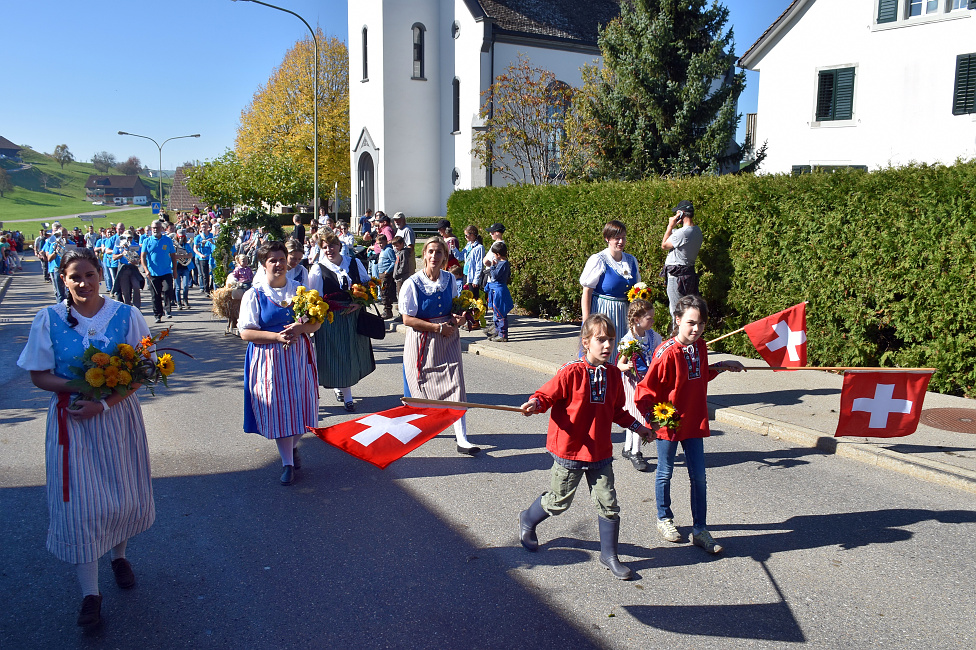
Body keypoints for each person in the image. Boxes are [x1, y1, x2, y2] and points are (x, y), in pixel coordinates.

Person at [16, 247, 156, 628]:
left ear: (101, 274)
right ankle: (90, 595)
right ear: (63, 279)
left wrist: (105, 402)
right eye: (75, 276)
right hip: (72, 420)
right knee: (81, 507)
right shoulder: (47, 319)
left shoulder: (128, 315)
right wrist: (81, 389)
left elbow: (144, 370)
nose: (83, 283)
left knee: (121, 494)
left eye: (89, 274)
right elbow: (38, 374)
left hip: (116, 417)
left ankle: (119, 556)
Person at [516, 313, 654, 580]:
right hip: (571, 450)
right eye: (601, 340)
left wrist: (640, 428)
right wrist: (535, 404)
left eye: (611, 340)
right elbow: (546, 395)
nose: (607, 346)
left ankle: (609, 555)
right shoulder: (571, 372)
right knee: (558, 502)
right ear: (586, 342)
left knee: (609, 504)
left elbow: (618, 410)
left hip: (600, 452)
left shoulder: (614, 375)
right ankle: (528, 519)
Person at [635, 294, 744, 554]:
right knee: (665, 472)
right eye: (691, 323)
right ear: (678, 320)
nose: (696, 329)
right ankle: (664, 518)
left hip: (694, 421)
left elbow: (700, 376)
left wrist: (722, 365)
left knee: (699, 477)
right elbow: (644, 391)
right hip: (669, 423)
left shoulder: (701, 347)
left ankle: (700, 529)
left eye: (701, 324)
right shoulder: (666, 353)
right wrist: (652, 422)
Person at [240, 241, 321, 486]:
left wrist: (302, 327)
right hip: (269, 360)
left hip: (298, 357)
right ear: (263, 265)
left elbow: (317, 323)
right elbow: (245, 333)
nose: (278, 264)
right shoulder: (254, 294)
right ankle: (287, 463)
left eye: (281, 259)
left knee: (301, 408)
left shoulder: (301, 290)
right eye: (272, 260)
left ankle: (292, 447)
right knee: (279, 410)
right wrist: (276, 336)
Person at [399, 237, 480, 455]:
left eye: (439, 253)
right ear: (424, 254)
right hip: (423, 341)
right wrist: (436, 328)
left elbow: (453, 307)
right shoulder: (412, 283)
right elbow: (407, 319)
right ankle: (419, 427)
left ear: (445, 257)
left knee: (456, 386)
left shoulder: (449, 280)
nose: (434, 256)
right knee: (423, 388)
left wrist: (459, 318)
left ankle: (462, 439)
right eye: (431, 252)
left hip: (448, 339)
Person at [307, 232, 377, 412]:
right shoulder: (318, 268)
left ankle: (342, 387)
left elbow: (369, 286)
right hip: (332, 319)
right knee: (338, 355)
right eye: (324, 247)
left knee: (352, 354)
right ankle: (348, 397)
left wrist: (359, 302)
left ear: (339, 245)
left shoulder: (354, 263)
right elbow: (315, 298)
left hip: (353, 315)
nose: (329, 250)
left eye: (332, 245)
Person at [615, 299, 662, 472]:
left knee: (637, 415)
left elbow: (658, 354)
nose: (652, 321)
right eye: (649, 318)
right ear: (637, 319)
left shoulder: (653, 336)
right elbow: (619, 364)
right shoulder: (629, 340)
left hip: (647, 381)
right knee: (637, 416)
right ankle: (636, 452)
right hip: (634, 383)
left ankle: (628, 448)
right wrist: (627, 366)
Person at [579, 220, 641, 352]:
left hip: (625, 315)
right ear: (607, 239)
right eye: (617, 238)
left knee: (623, 351)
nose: (621, 242)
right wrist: (586, 321)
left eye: (623, 238)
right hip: (604, 311)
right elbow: (587, 292)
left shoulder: (631, 260)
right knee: (603, 349)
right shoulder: (598, 260)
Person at [661, 200, 703, 324]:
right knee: (686, 310)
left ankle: (677, 340)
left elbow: (664, 245)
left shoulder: (683, 233)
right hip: (688, 274)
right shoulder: (696, 231)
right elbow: (677, 236)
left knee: (676, 312)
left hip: (676, 276)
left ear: (681, 213)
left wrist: (670, 226)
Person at [140, 221, 177, 323]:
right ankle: (157, 315)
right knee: (155, 295)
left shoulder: (167, 240)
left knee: (167, 290)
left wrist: (174, 270)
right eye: (153, 228)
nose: (155, 230)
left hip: (166, 271)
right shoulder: (147, 241)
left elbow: (173, 255)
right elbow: (142, 257)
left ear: (161, 228)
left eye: (157, 227)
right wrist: (146, 270)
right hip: (153, 273)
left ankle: (168, 310)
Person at [485, 241, 513, 342]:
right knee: (496, 312)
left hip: (499, 290)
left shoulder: (503, 263)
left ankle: (503, 334)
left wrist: (492, 266)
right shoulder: (503, 263)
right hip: (496, 288)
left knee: (500, 313)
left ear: (498, 254)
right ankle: (497, 331)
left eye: (494, 254)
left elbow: (495, 275)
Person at [112, 233, 143, 309]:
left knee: (136, 286)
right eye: (128, 238)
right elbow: (114, 257)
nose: (129, 239)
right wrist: (122, 254)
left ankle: (137, 307)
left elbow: (141, 257)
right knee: (125, 290)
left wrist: (137, 261)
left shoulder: (135, 245)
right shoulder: (120, 245)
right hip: (123, 268)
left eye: (130, 237)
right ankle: (128, 306)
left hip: (133, 268)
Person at [377, 233, 396, 319]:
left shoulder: (388, 250)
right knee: (382, 292)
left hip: (386, 274)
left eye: (381, 243)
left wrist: (387, 271)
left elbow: (394, 261)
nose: (380, 245)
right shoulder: (383, 251)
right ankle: (386, 310)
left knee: (385, 292)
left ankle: (388, 310)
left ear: (385, 241)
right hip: (381, 273)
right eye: (378, 243)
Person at [193, 221, 215, 294]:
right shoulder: (198, 237)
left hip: (211, 257)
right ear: (200, 228)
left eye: (205, 226)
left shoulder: (212, 235)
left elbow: (216, 244)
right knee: (205, 274)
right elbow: (195, 248)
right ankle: (206, 290)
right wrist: (200, 254)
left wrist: (212, 242)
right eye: (202, 227)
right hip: (203, 257)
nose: (204, 228)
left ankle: (212, 287)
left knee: (212, 273)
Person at [461, 225, 484, 294]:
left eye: (466, 235)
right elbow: (461, 257)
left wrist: (476, 280)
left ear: (472, 234)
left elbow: (479, 264)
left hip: (472, 276)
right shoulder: (468, 245)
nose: (465, 237)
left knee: (473, 298)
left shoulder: (479, 247)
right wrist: (454, 248)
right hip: (466, 273)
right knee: (464, 297)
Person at [392, 212, 416, 277]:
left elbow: (410, 247)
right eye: (395, 220)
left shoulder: (407, 230)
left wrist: (403, 256)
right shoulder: (399, 230)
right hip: (399, 259)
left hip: (407, 262)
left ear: (403, 220)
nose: (396, 222)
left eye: (398, 219)